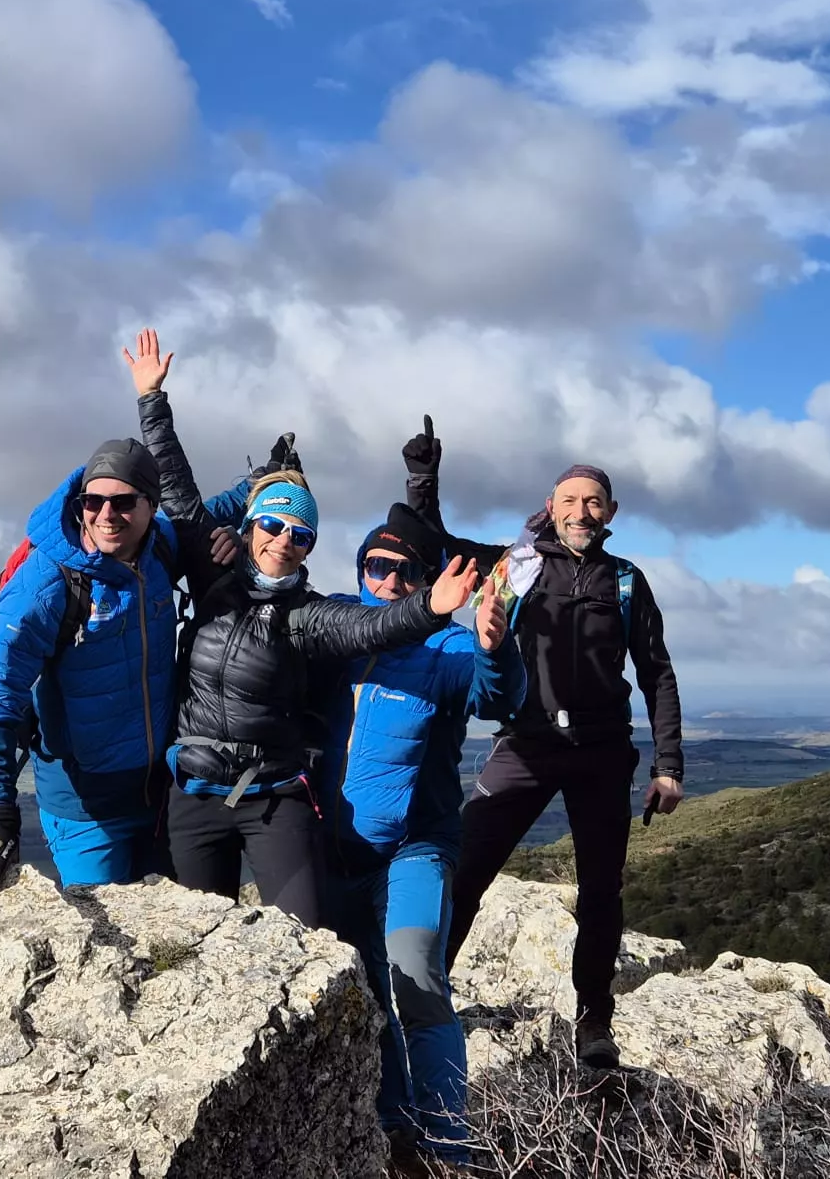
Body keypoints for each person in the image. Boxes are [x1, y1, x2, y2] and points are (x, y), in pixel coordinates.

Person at [128, 333, 484, 929]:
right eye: (272, 523)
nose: (283, 540)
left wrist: (433, 609)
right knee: (192, 949)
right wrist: (151, 399)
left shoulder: (308, 615)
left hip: (274, 797)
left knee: (313, 943)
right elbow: (175, 486)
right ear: (248, 525)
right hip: (193, 792)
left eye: (301, 534)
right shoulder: (210, 568)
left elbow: (374, 628)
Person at [403, 417, 685, 1069]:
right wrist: (424, 478)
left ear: (610, 511)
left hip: (604, 753)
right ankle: (423, 999)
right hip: (526, 745)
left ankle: (594, 1021)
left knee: (600, 892)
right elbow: (433, 541)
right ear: (550, 508)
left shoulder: (625, 580)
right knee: (465, 871)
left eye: (593, 501)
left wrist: (668, 764)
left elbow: (657, 672)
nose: (581, 511)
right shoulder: (515, 564)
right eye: (569, 500)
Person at [0, 346, 257, 894]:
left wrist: (260, 487)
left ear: (150, 506)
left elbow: (203, 513)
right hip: (84, 805)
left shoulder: (160, 548)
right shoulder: (49, 583)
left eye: (123, 503)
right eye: (93, 503)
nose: (105, 515)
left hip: (163, 789)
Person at [319, 502, 526, 1165]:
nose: (388, 580)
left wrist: (495, 647)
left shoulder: (446, 650)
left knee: (415, 979)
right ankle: (394, 1125)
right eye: (377, 566)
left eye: (405, 571)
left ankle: (447, 1144)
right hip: (338, 852)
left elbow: (496, 699)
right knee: (365, 991)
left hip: (415, 848)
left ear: (427, 582)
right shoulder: (338, 635)